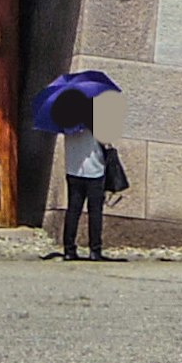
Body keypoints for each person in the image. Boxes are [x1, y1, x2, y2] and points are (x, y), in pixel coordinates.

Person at [30, 67, 121, 261]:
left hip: (73, 170)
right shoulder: (94, 121)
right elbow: (106, 141)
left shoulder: (65, 122)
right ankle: (95, 250)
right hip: (94, 170)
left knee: (73, 210)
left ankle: (69, 250)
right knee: (95, 212)